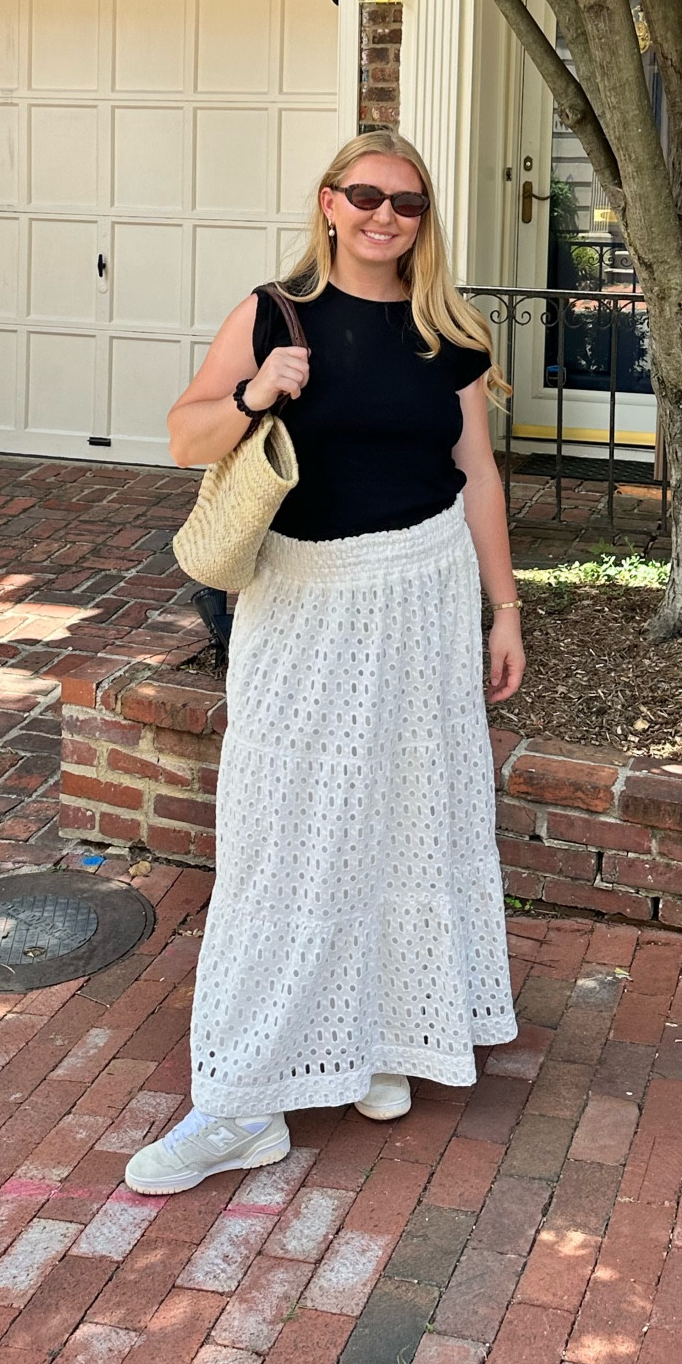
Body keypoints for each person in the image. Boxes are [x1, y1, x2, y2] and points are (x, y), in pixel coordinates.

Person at [124, 128, 525, 1193]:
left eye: (408, 202)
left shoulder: (452, 332)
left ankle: (387, 1038)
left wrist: (505, 608)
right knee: (279, 831)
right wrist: (256, 392)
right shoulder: (274, 311)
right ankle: (243, 1100)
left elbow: (477, 474)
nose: (387, 215)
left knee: (411, 810)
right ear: (330, 201)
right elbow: (182, 435)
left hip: (427, 588)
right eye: (368, 195)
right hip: (303, 599)